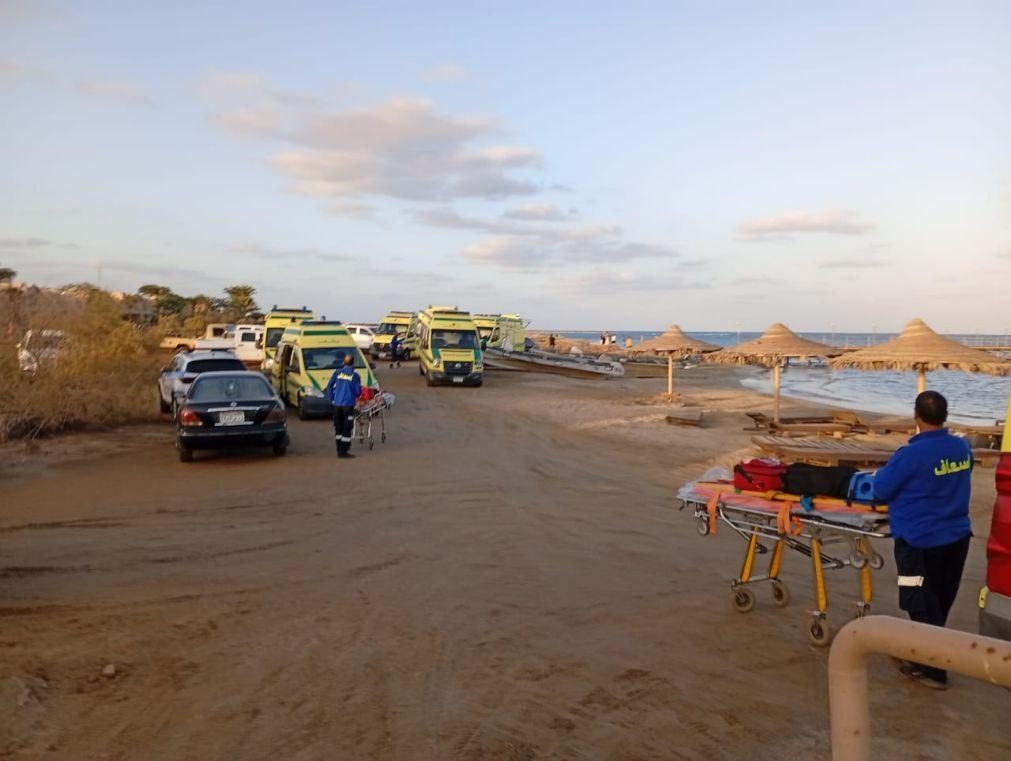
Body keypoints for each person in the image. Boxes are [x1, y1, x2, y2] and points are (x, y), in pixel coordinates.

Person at [873, 390, 972, 690]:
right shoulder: (962, 448)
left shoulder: (911, 454)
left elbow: (880, 490)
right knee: (940, 599)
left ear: (916, 415)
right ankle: (923, 655)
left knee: (920, 601)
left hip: (920, 539)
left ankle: (931, 669)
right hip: (956, 537)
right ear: (945, 416)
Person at [324, 354, 362, 459]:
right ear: (353, 363)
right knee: (347, 428)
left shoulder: (337, 373)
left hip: (337, 405)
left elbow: (329, 387)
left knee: (338, 427)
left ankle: (339, 449)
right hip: (348, 406)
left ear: (344, 363)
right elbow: (358, 392)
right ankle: (344, 451)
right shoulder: (355, 375)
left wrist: (332, 399)